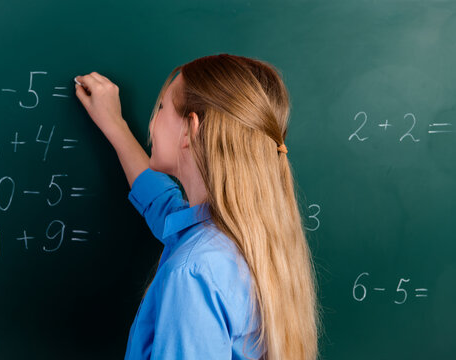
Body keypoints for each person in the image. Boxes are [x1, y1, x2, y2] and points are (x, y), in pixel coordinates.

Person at [74, 53, 321, 360]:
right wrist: (114, 124)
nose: (153, 121)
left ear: (191, 129)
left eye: (162, 107)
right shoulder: (244, 242)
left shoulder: (194, 273)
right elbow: (164, 206)